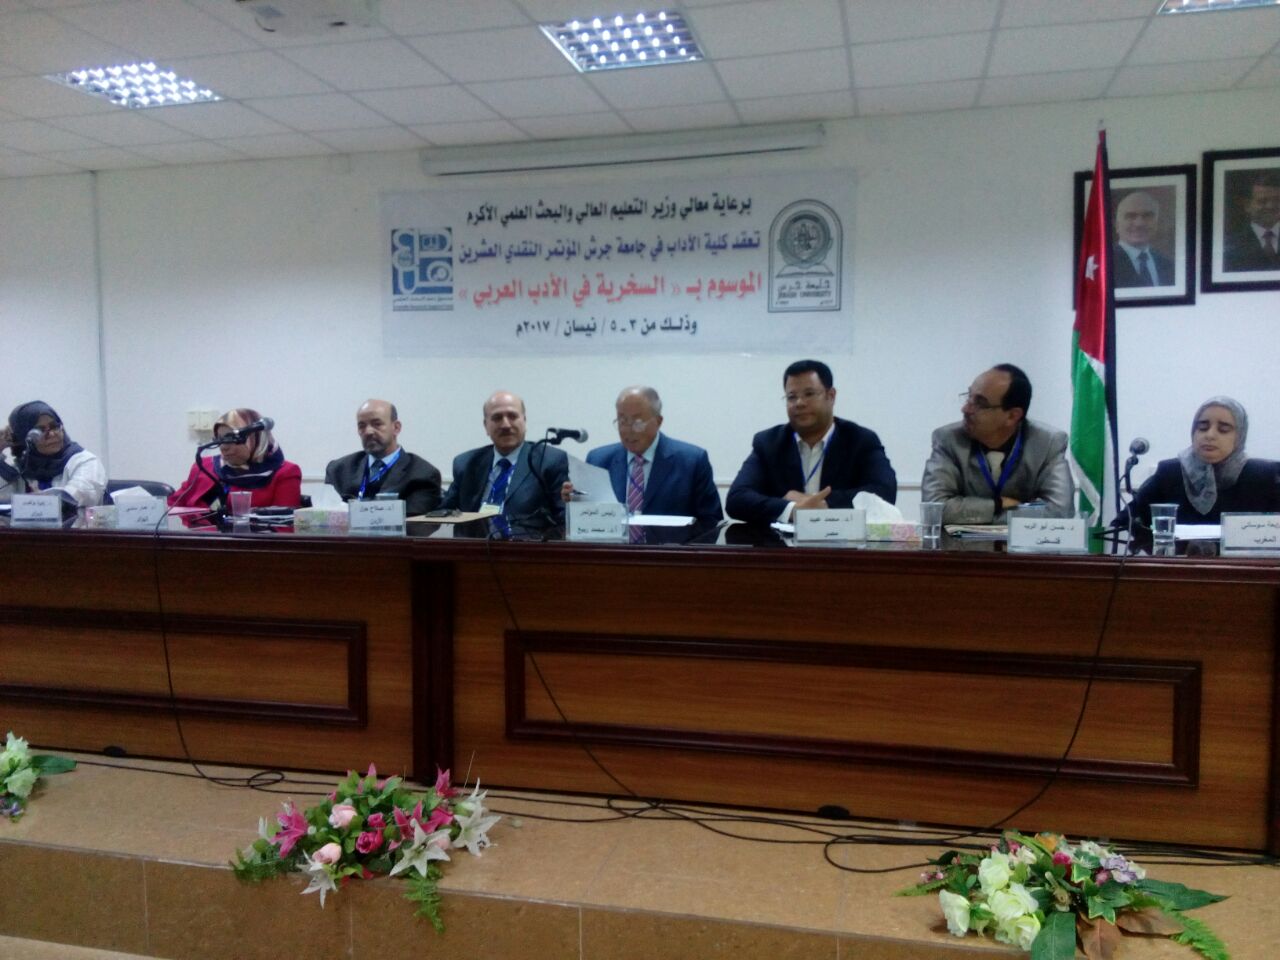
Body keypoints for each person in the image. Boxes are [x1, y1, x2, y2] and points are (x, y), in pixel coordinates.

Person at [726, 359, 896, 524]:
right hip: (779, 542)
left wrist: (820, 503)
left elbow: (884, 492)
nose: (799, 403)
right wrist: (792, 509)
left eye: (809, 394)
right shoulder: (768, 443)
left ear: (831, 396)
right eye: (792, 397)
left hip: (843, 540)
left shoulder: (860, 440)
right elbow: (736, 499)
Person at [921, 364, 1074, 524]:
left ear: (1012, 416)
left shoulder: (1048, 443)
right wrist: (997, 504)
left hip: (1025, 541)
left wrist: (984, 515)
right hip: (958, 541)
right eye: (969, 397)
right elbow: (934, 509)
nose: (965, 409)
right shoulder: (948, 439)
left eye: (980, 403)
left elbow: (1060, 512)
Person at [561, 385, 723, 524]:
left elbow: (711, 522)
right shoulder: (599, 460)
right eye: (622, 421)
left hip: (669, 549)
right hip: (613, 550)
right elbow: (586, 520)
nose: (628, 430)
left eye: (637, 422)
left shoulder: (691, 461)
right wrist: (574, 502)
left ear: (658, 421)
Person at [1116, 397, 1280, 527]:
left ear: (1240, 437)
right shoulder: (1170, 473)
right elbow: (1123, 524)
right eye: (1202, 427)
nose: (1210, 435)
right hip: (1178, 560)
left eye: (1223, 429)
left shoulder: (1263, 477)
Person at [441, 390, 568, 526]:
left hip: (527, 539)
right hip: (473, 539)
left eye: (512, 416)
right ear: (486, 426)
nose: (506, 425)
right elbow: (442, 512)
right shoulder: (466, 463)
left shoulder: (549, 461)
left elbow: (564, 518)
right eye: (497, 418)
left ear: (524, 421)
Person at [325, 399, 442, 516]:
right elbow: (325, 517)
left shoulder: (422, 475)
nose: (368, 431)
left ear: (396, 428)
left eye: (377, 424)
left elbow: (412, 523)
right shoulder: (338, 470)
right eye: (362, 426)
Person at [169, 408, 301, 511]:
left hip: (252, 538)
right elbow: (173, 507)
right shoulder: (204, 466)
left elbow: (285, 527)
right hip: (197, 537)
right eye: (219, 439)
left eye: (231, 438)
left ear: (255, 438)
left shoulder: (286, 473)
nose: (223, 447)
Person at [0, 401, 106, 507]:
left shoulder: (85, 461)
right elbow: (3, 499)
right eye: (40, 431)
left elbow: (81, 495)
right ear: (26, 438)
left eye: (54, 426)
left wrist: (38, 501)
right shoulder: (21, 469)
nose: (51, 434)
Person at [1112, 191, 1174, 288]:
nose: (1139, 224)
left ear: (1157, 223)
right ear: (1117, 225)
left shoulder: (1168, 265)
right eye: (1131, 216)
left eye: (1147, 216)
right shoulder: (1105, 262)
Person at [1223, 172, 1280, 272]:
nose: (1271, 206)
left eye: (1277, 200)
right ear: (1247, 205)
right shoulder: (1231, 243)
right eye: (1262, 201)